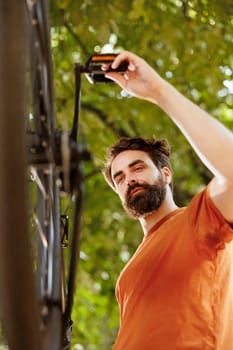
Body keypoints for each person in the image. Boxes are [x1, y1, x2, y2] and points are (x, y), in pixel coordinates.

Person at [102, 51, 233, 350]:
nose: (129, 178)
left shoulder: (197, 221)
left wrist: (159, 92)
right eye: (119, 177)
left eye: (137, 168)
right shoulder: (126, 277)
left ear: (166, 174)